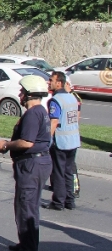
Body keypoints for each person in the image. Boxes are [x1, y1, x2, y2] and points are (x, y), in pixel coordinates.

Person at [0, 75, 52, 251]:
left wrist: (5, 145)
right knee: (28, 206)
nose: (20, 94)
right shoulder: (40, 111)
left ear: (29, 94)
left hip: (31, 165)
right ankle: (26, 243)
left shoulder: (33, 114)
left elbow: (26, 142)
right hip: (37, 163)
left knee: (26, 207)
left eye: (22, 91)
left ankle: (28, 250)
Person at [44, 71, 80, 211]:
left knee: (58, 172)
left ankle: (58, 202)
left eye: (51, 80)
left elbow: (54, 122)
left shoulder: (56, 100)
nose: (49, 82)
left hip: (61, 141)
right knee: (69, 172)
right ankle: (70, 201)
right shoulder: (71, 98)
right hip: (73, 140)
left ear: (59, 83)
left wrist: (46, 140)